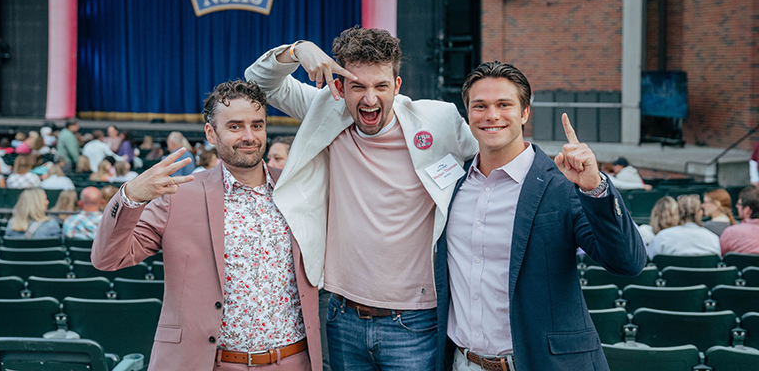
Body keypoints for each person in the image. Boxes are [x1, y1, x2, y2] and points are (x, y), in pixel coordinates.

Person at [244, 28, 477, 371]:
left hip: (415, 321)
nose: (370, 99)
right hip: (342, 316)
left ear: (396, 87)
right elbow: (258, 82)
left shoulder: (438, 120)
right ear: (339, 87)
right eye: (358, 86)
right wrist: (298, 50)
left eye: (380, 86)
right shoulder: (326, 110)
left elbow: (487, 166)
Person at [91, 80, 322, 371]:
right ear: (211, 133)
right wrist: (131, 196)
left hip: (292, 362)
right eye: (235, 126)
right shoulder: (178, 196)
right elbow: (108, 259)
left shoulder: (298, 187)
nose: (249, 136)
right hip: (207, 363)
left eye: (257, 125)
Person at [434, 61, 645, 371]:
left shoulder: (562, 184)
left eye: (504, 104)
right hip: (462, 363)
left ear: (524, 113)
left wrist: (594, 186)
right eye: (480, 106)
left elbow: (628, 262)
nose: (491, 115)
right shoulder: (452, 184)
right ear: (468, 114)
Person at [647, 195, 721, 258]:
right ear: (700, 213)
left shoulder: (662, 237)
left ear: (678, 212)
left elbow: (650, 259)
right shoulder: (713, 239)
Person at [720, 186, 759, 254]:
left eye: (739, 204)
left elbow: (721, 255)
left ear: (747, 210)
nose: (736, 206)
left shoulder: (731, 232)